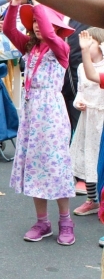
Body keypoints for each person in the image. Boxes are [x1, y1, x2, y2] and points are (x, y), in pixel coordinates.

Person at [2, 0, 76, 245]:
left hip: (52, 113)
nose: (36, 24)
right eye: (32, 21)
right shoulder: (30, 47)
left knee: (56, 165)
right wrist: (14, 4)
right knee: (34, 166)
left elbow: (47, 29)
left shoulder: (61, 48)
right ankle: (42, 222)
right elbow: (8, 29)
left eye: (40, 20)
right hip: (32, 112)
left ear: (55, 25)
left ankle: (66, 221)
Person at [72, 29, 104, 216]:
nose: (85, 47)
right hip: (88, 118)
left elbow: (95, 77)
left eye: (89, 43)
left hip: (102, 117)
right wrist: (79, 102)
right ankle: (92, 200)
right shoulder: (81, 68)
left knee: (100, 162)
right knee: (87, 159)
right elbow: (80, 91)